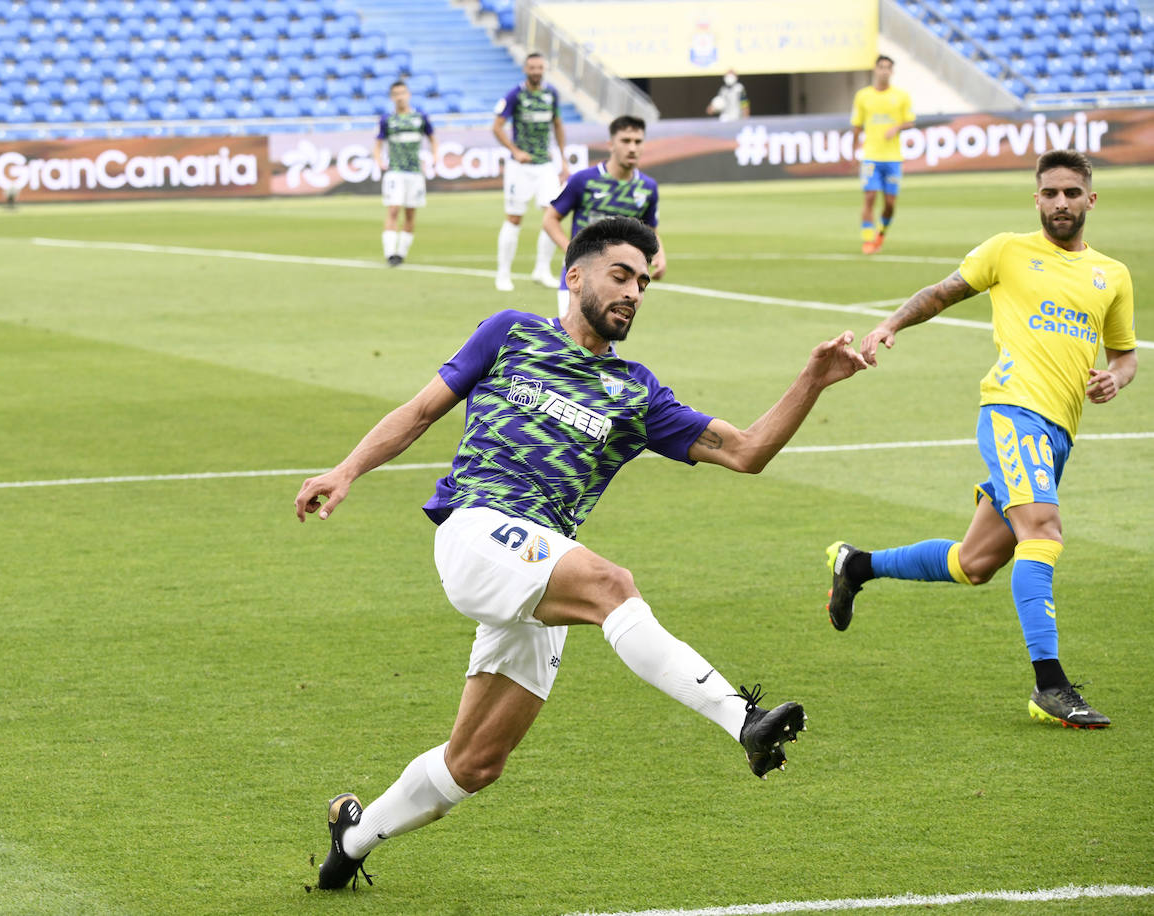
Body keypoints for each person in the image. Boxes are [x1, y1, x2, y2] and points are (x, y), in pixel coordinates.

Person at [296, 216, 870, 890]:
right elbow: (421, 411)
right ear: (576, 276)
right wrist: (346, 470)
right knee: (610, 584)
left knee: (475, 763)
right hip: (477, 530)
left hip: (539, 561)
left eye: (644, 283)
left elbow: (745, 451)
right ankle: (741, 719)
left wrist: (813, 378)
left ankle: (353, 838)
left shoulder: (636, 392)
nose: (633, 292)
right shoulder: (513, 332)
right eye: (621, 275)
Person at [824, 149, 1137, 729]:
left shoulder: (1111, 276)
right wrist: (891, 322)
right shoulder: (1008, 250)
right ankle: (1051, 685)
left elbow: (1124, 355)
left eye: (1072, 193)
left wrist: (1112, 379)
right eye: (1050, 193)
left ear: (1090, 199)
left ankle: (857, 566)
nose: (1061, 203)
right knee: (1042, 531)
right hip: (1013, 411)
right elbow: (942, 292)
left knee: (975, 563)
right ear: (1036, 199)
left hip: (1059, 431)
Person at [542, 115, 665, 318]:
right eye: (625, 141)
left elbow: (650, 230)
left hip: (621, 282)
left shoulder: (647, 187)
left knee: (604, 345)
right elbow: (550, 219)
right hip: (579, 277)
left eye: (637, 141)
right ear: (611, 145)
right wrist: (573, 251)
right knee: (575, 343)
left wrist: (660, 255)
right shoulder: (583, 180)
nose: (632, 148)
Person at [492, 52, 570, 292]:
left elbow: (557, 125)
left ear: (543, 69)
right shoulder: (516, 95)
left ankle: (542, 269)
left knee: (552, 216)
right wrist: (514, 150)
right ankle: (503, 274)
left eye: (539, 67)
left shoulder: (551, 94)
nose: (536, 71)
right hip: (520, 168)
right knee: (514, 218)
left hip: (545, 165)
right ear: (525, 69)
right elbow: (497, 126)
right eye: (532, 67)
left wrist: (563, 160)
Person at [850, 55, 914, 255]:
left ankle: (881, 233)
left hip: (893, 157)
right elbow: (857, 126)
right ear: (875, 70)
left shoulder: (901, 96)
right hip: (871, 155)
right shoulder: (863, 96)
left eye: (888, 68)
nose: (884, 71)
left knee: (890, 204)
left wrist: (896, 127)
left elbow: (910, 121)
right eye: (881, 67)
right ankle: (867, 240)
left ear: (892, 72)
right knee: (869, 197)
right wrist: (854, 152)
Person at [374, 80, 439, 267]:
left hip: (415, 172)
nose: (400, 97)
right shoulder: (388, 119)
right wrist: (378, 160)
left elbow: (433, 138)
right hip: (395, 170)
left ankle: (401, 253)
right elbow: (378, 144)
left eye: (403, 93)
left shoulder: (420, 118)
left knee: (410, 213)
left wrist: (435, 156)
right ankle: (390, 254)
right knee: (393, 208)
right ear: (392, 97)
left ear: (408, 94)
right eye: (396, 94)